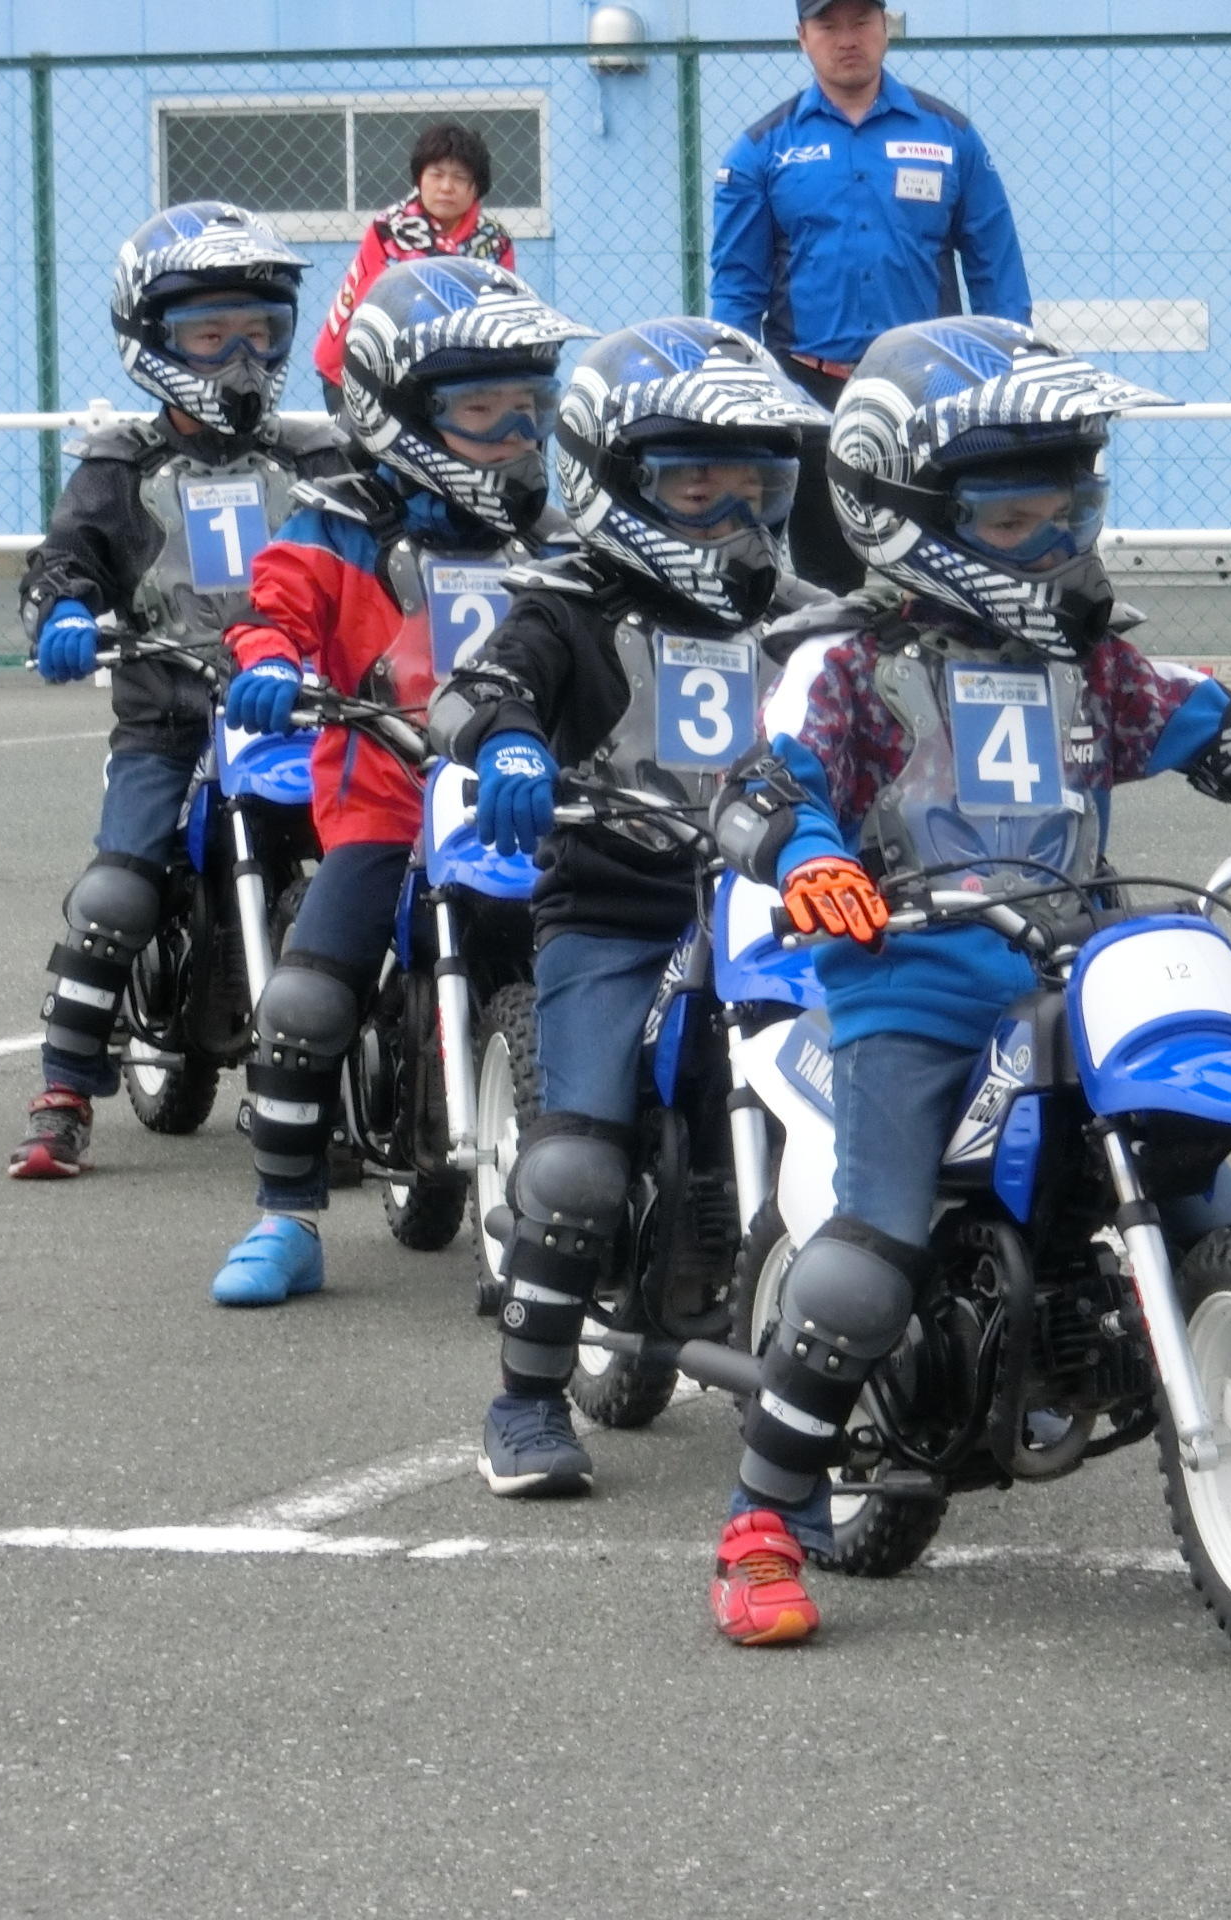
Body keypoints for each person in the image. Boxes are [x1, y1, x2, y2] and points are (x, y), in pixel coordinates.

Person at [700, 317, 1231, 1645]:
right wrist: (812, 862)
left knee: (1214, 1191)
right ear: (906, 512)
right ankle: (761, 1514)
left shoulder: (1091, 668)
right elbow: (774, 783)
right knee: (867, 1262)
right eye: (1018, 510)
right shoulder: (854, 669)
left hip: (1074, 968)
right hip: (907, 981)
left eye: (1070, 502)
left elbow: (1219, 722)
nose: (1058, 537)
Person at [425, 317, 832, 1494]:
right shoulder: (568, 604)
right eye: (694, 482)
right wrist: (504, 747)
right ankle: (526, 1400)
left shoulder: (805, 620)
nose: (734, 513)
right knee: (580, 1163)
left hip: (775, 907)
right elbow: (482, 689)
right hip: (617, 908)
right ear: (613, 483)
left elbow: (885, 727)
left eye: (757, 483)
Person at [205, 258, 592, 1305]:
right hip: (385, 796)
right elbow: (271, 607)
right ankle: (284, 1215)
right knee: (305, 994)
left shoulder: (556, 544)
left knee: (605, 981)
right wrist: (272, 665)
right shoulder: (339, 524)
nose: (517, 434)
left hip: (522, 799)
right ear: (401, 414)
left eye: (531, 408)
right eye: (482, 409)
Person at [9, 201, 351, 1181]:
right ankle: (63, 1087)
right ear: (149, 339)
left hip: (302, 712)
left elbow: (379, 559)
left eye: (262, 334)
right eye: (210, 336)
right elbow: (67, 556)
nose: (239, 360)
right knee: (119, 889)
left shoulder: (319, 457)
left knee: (372, 871)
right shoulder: (122, 463)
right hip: (170, 715)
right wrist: (66, 613)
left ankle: (375, 1071)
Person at [709, 0, 1031, 591]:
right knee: (828, 583)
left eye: (860, 21)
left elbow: (996, 269)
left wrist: (1003, 381)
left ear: (886, 26)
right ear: (801, 37)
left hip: (928, 397)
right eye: (827, 24)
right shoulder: (761, 149)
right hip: (810, 399)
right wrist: (739, 398)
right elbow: (736, 289)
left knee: (938, 575)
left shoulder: (950, 136)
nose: (846, 38)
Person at [311, 122, 517, 412]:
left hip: (445, 376)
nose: (446, 187)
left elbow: (502, 313)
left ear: (476, 188)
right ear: (419, 178)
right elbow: (374, 308)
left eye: (459, 177)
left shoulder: (495, 241)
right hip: (356, 365)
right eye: (436, 175)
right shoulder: (389, 230)